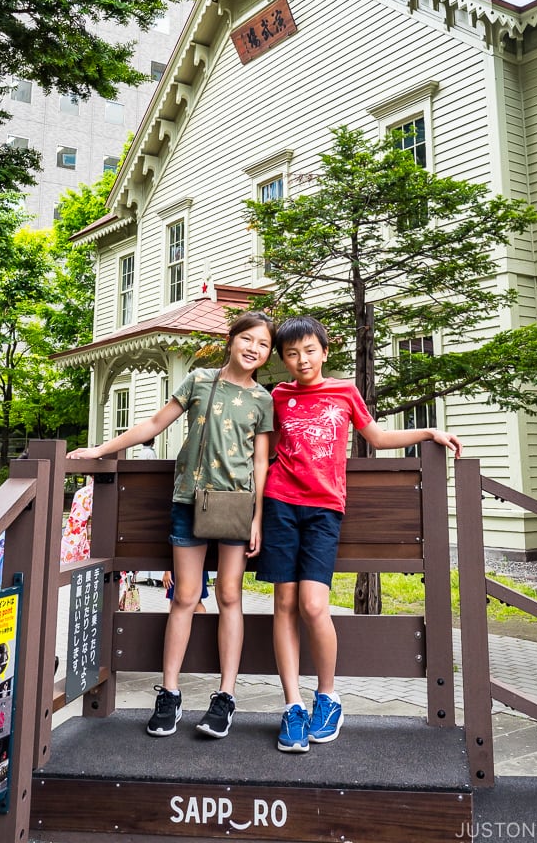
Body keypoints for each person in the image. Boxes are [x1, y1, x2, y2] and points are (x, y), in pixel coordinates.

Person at [257, 314, 462, 754]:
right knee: (285, 603)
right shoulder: (278, 396)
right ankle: (292, 707)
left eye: (310, 350)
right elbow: (263, 451)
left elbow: (377, 436)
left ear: (325, 351)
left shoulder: (344, 391)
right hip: (279, 504)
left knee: (314, 605)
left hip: (325, 509)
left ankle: (327, 698)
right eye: (291, 354)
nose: (301, 360)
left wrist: (429, 431)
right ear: (284, 360)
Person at [68, 310, 275, 740]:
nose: (254, 349)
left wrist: (258, 516)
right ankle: (171, 693)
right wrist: (100, 450)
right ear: (231, 339)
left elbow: (260, 461)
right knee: (183, 595)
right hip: (188, 500)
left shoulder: (263, 399)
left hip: (236, 505)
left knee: (230, 595)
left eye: (264, 345)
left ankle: (225, 697)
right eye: (248, 339)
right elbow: (154, 424)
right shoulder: (199, 379)